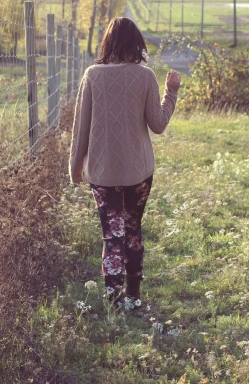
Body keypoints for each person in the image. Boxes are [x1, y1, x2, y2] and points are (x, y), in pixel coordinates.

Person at [69, 17, 181, 311]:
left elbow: (81, 126)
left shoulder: (92, 75)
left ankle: (113, 299)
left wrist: (75, 167)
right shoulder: (145, 77)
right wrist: (171, 92)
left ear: (107, 42)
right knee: (132, 229)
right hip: (139, 172)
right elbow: (157, 125)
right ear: (137, 44)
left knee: (112, 232)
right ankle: (133, 295)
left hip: (102, 172)